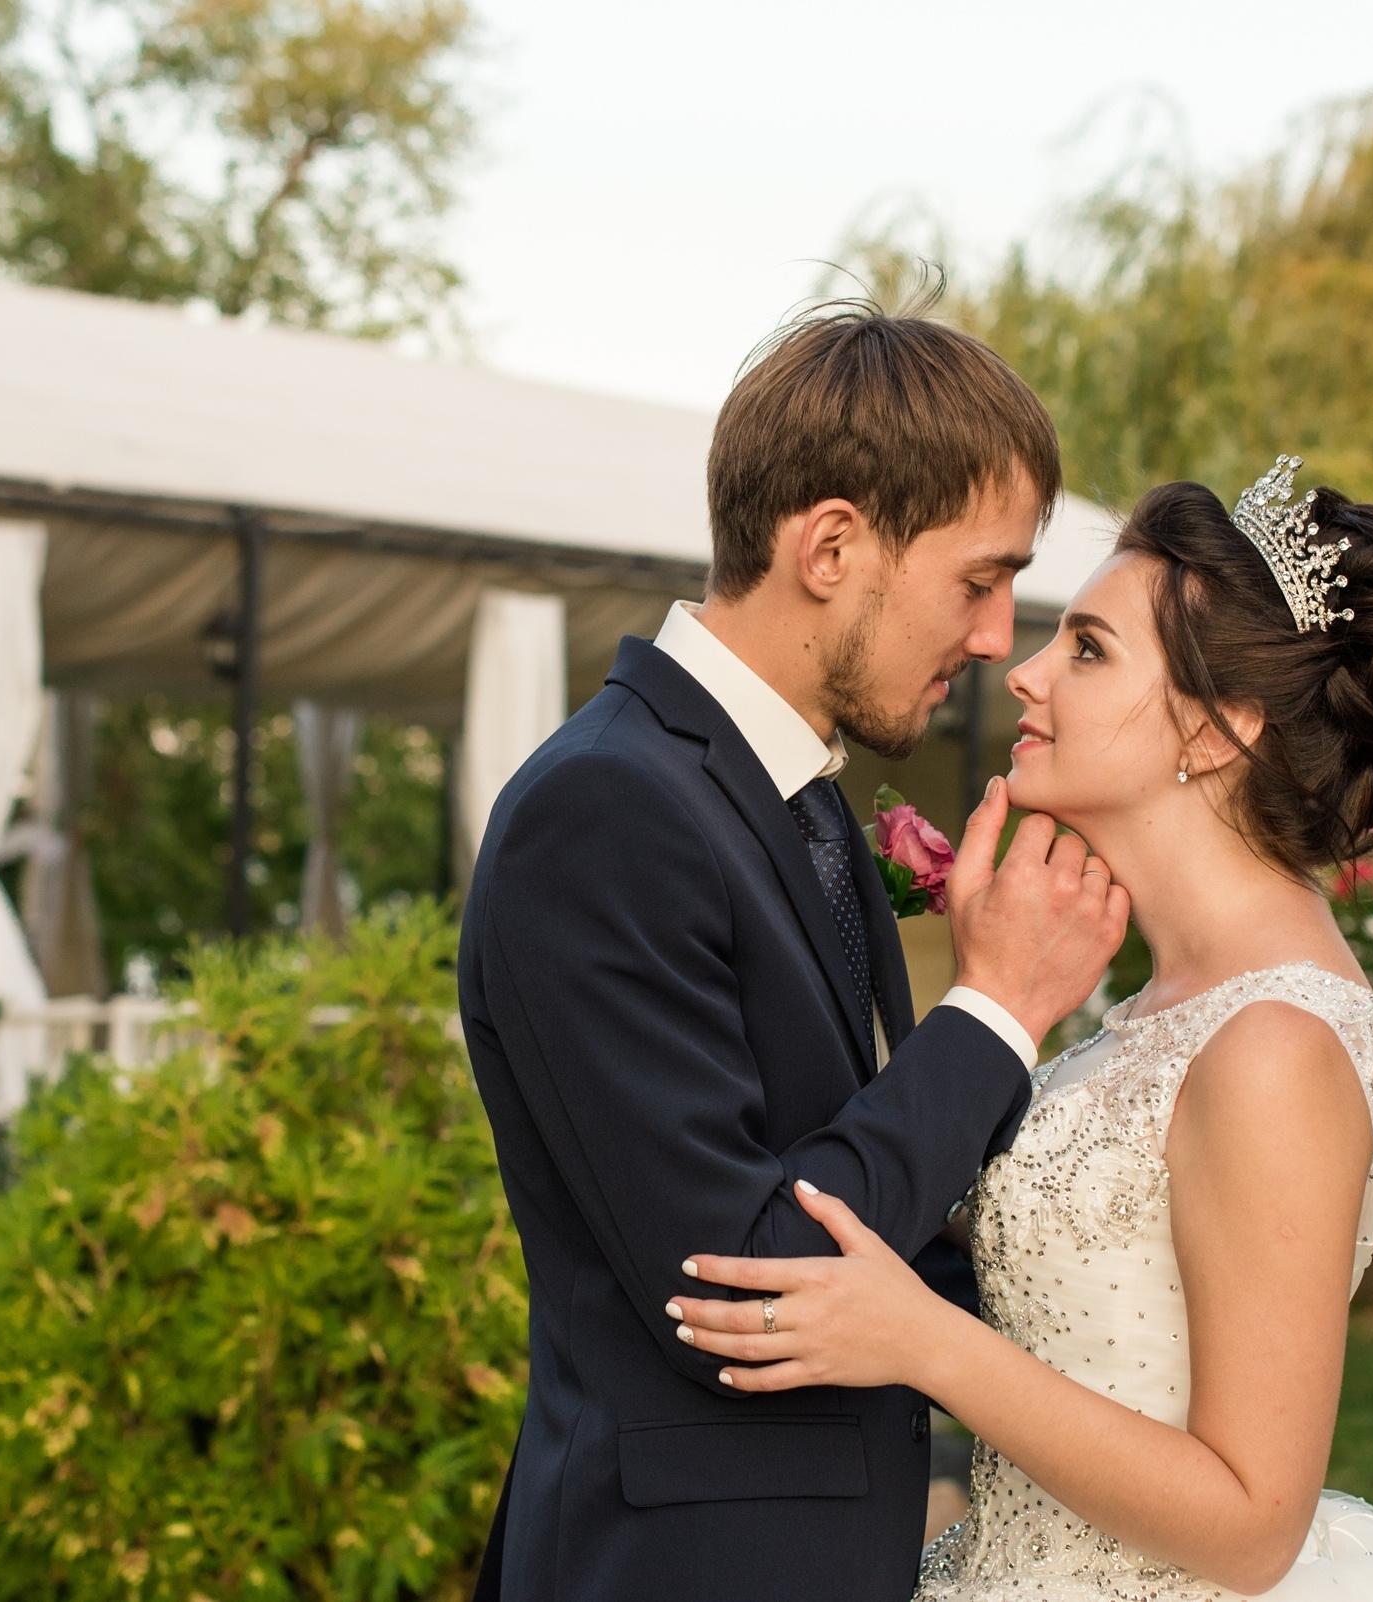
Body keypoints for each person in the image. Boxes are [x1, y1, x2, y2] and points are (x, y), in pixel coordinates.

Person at [668, 458, 1373, 1602]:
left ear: (1217, 733)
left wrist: (922, 1342)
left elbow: (1254, 1522)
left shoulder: (1275, 1045)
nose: (1024, 672)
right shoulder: (1155, 1007)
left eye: (1090, 649)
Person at [457, 303, 1132, 1602]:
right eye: (979, 580)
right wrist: (995, 1011)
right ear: (831, 545)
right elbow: (747, 1278)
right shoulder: (602, 812)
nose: (997, 637)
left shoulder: (802, 803)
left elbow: (853, 1194)